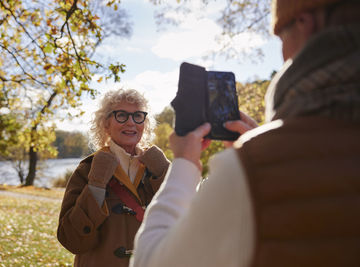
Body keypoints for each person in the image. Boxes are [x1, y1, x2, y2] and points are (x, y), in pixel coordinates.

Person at [130, 0, 360, 267]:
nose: (283, 54)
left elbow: (151, 262)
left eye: (281, 37)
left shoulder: (255, 171)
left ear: (305, 23)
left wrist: (184, 163)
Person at [57, 88, 170, 267]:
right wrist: (96, 183)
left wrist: (165, 173)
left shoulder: (158, 168)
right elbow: (72, 240)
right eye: (121, 115)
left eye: (138, 116)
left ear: (145, 123)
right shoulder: (87, 169)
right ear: (106, 124)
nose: (131, 122)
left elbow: (189, 227)